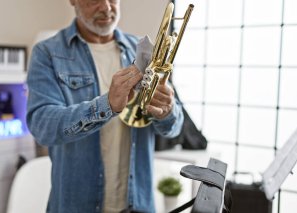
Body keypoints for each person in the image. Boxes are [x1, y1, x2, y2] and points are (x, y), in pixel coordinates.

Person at [26, 0, 184, 212]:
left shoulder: (143, 49)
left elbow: (175, 128)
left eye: (113, 0)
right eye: (94, 0)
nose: (107, 8)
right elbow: (42, 126)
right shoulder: (47, 53)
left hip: (138, 206)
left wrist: (168, 111)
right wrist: (106, 105)